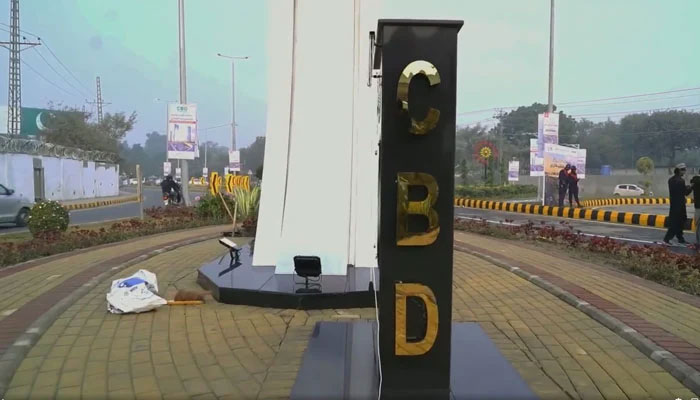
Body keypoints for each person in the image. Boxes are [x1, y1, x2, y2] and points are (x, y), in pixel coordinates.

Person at [663, 163, 692, 245]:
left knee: (677, 222)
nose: (684, 171)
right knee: (678, 222)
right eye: (683, 170)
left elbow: (677, 191)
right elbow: (685, 193)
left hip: (673, 204)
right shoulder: (681, 181)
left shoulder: (671, 180)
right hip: (680, 205)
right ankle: (667, 239)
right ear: (679, 170)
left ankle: (680, 238)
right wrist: (691, 187)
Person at [690, 174, 700, 250]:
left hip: (698, 207)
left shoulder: (695, 180)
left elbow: (692, 182)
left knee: (698, 225)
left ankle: (698, 243)